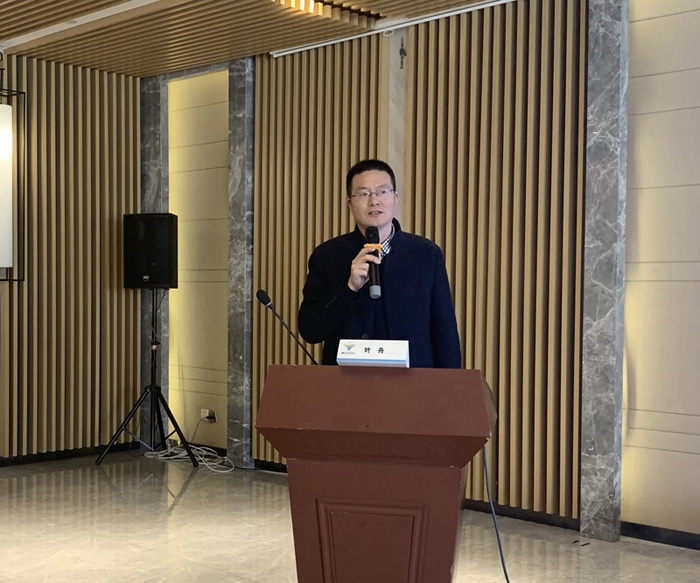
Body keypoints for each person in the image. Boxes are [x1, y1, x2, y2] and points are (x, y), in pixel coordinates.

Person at [298, 159, 462, 368]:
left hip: (413, 383)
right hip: (347, 383)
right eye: (363, 194)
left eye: (382, 192)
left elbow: (445, 334)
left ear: (395, 198)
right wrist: (348, 289)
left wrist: (450, 386)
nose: (374, 201)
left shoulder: (426, 255)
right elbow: (310, 330)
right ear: (349, 203)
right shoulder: (327, 256)